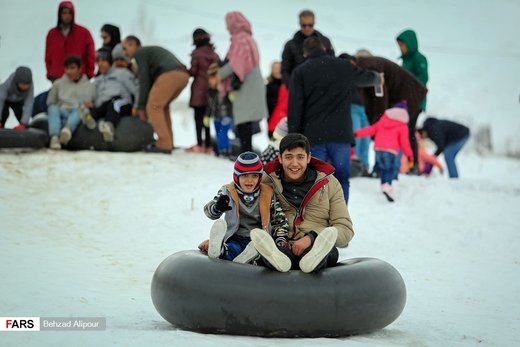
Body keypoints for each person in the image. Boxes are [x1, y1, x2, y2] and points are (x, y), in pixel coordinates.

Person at [288, 37, 381, 203]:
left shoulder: (301, 72)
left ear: (305, 53)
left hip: (314, 136)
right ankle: (341, 218)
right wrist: (377, 77)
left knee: (317, 180)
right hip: (340, 135)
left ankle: (318, 219)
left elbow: (295, 108)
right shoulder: (343, 66)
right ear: (324, 49)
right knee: (342, 178)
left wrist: (293, 139)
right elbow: (365, 78)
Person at [252, 133, 354, 273]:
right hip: (281, 244)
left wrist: (312, 237)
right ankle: (277, 259)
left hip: (315, 245)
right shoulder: (267, 181)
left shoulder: (329, 183)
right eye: (289, 157)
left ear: (308, 158)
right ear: (280, 158)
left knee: (330, 252)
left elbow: (345, 228)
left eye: (300, 157)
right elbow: (245, 211)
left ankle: (314, 257)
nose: (294, 163)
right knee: (277, 252)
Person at [198, 152, 291, 271]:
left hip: (258, 239)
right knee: (232, 248)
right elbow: (208, 212)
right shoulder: (228, 191)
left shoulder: (267, 193)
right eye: (245, 176)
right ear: (237, 177)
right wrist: (217, 207)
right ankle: (220, 250)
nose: (250, 180)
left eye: (254, 176)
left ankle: (250, 258)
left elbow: (279, 219)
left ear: (259, 177)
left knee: (261, 251)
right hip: (235, 237)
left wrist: (280, 239)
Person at [340, 54, 428, 174]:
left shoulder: (369, 66)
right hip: (402, 98)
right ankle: (386, 169)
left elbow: (381, 95)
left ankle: (390, 169)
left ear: (351, 62)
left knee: (399, 132)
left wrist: (380, 118)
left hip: (408, 97)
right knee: (400, 132)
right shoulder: (364, 67)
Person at [122, 35, 189, 153]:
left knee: (153, 106)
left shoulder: (140, 53)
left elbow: (144, 80)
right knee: (162, 107)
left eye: (125, 48)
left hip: (170, 75)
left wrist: (141, 107)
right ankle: (169, 141)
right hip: (182, 76)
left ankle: (164, 144)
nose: (124, 53)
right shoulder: (149, 53)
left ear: (133, 44)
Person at [218, 11, 267, 153]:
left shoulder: (240, 39)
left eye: (228, 24)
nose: (227, 28)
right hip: (252, 83)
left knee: (243, 124)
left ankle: (246, 157)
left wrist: (219, 74)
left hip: (246, 85)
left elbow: (236, 64)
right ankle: (247, 154)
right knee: (245, 124)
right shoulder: (248, 38)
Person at [354, 101, 413, 202]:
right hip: (390, 151)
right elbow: (404, 142)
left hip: (378, 149)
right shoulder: (402, 125)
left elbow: (371, 130)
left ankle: (383, 186)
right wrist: (409, 155)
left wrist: (356, 133)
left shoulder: (383, 120)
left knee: (383, 168)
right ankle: (387, 186)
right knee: (389, 169)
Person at [46, 55, 95, 150]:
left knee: (80, 109)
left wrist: (90, 104)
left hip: (78, 112)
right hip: (63, 110)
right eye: (67, 68)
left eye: (72, 68)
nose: (69, 71)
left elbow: (93, 101)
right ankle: (54, 137)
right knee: (52, 108)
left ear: (79, 69)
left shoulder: (89, 85)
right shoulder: (58, 84)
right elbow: (50, 101)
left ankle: (67, 130)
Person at [90, 48, 137, 141]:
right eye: (98, 61)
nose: (100, 64)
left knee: (114, 103)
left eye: (103, 61)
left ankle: (109, 127)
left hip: (122, 102)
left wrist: (138, 106)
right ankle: (90, 121)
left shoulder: (122, 73)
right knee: (98, 109)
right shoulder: (98, 80)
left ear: (110, 62)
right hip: (106, 105)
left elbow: (135, 90)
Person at [186, 28, 220, 154]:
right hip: (212, 91)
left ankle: (200, 144)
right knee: (207, 119)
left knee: (198, 119)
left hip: (199, 91)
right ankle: (208, 146)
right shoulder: (215, 55)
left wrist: (183, 69)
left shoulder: (196, 54)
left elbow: (193, 72)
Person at [45, 1, 96, 82]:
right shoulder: (52, 34)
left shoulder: (83, 33)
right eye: (64, 13)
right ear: (59, 14)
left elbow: (90, 55)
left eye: (70, 13)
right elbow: (48, 56)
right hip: (58, 78)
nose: (67, 16)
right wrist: (50, 73)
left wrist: (89, 73)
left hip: (79, 78)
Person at [281, 9, 334, 86]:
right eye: (304, 25)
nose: (307, 28)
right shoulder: (290, 45)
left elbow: (332, 63)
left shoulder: (325, 41)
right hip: (300, 86)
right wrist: (292, 88)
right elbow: (285, 70)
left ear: (314, 23)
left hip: (322, 86)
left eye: (310, 25)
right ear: (299, 24)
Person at [396, 29, 429, 111]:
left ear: (409, 44)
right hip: (405, 100)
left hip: (415, 101)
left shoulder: (419, 58)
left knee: (408, 123)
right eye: (399, 45)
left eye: (402, 45)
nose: (400, 48)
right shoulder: (406, 60)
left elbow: (424, 78)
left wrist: (406, 82)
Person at [206, 63, 232, 157]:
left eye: (212, 78)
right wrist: (207, 116)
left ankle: (226, 151)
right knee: (218, 134)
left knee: (223, 133)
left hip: (225, 115)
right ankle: (221, 150)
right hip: (216, 117)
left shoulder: (225, 89)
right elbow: (210, 105)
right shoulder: (210, 91)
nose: (210, 81)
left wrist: (230, 115)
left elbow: (230, 103)